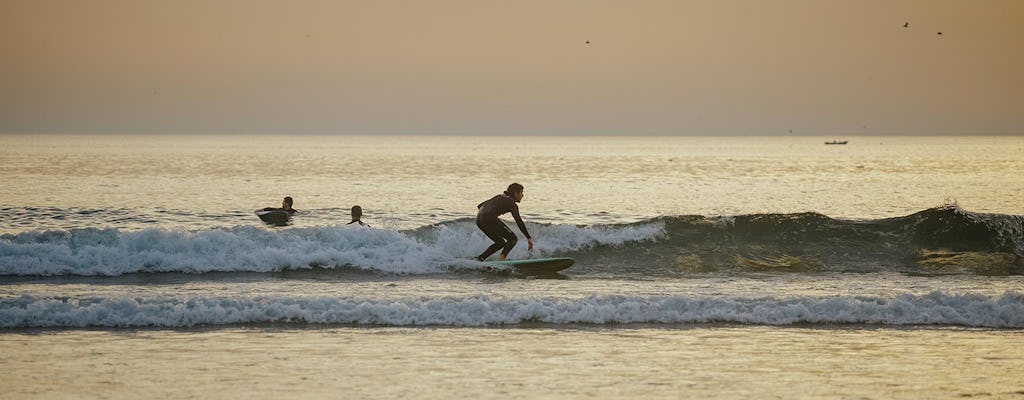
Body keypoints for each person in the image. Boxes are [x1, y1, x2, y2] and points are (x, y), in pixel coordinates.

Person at [475, 183, 534, 261]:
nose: (522, 195)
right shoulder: (511, 203)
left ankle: (480, 259)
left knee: (500, 243)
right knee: (512, 239)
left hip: (479, 220)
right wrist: (528, 238)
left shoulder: (499, 196)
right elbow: (518, 221)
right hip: (489, 219)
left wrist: (490, 212)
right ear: (516, 193)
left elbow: (479, 206)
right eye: (521, 192)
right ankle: (501, 260)